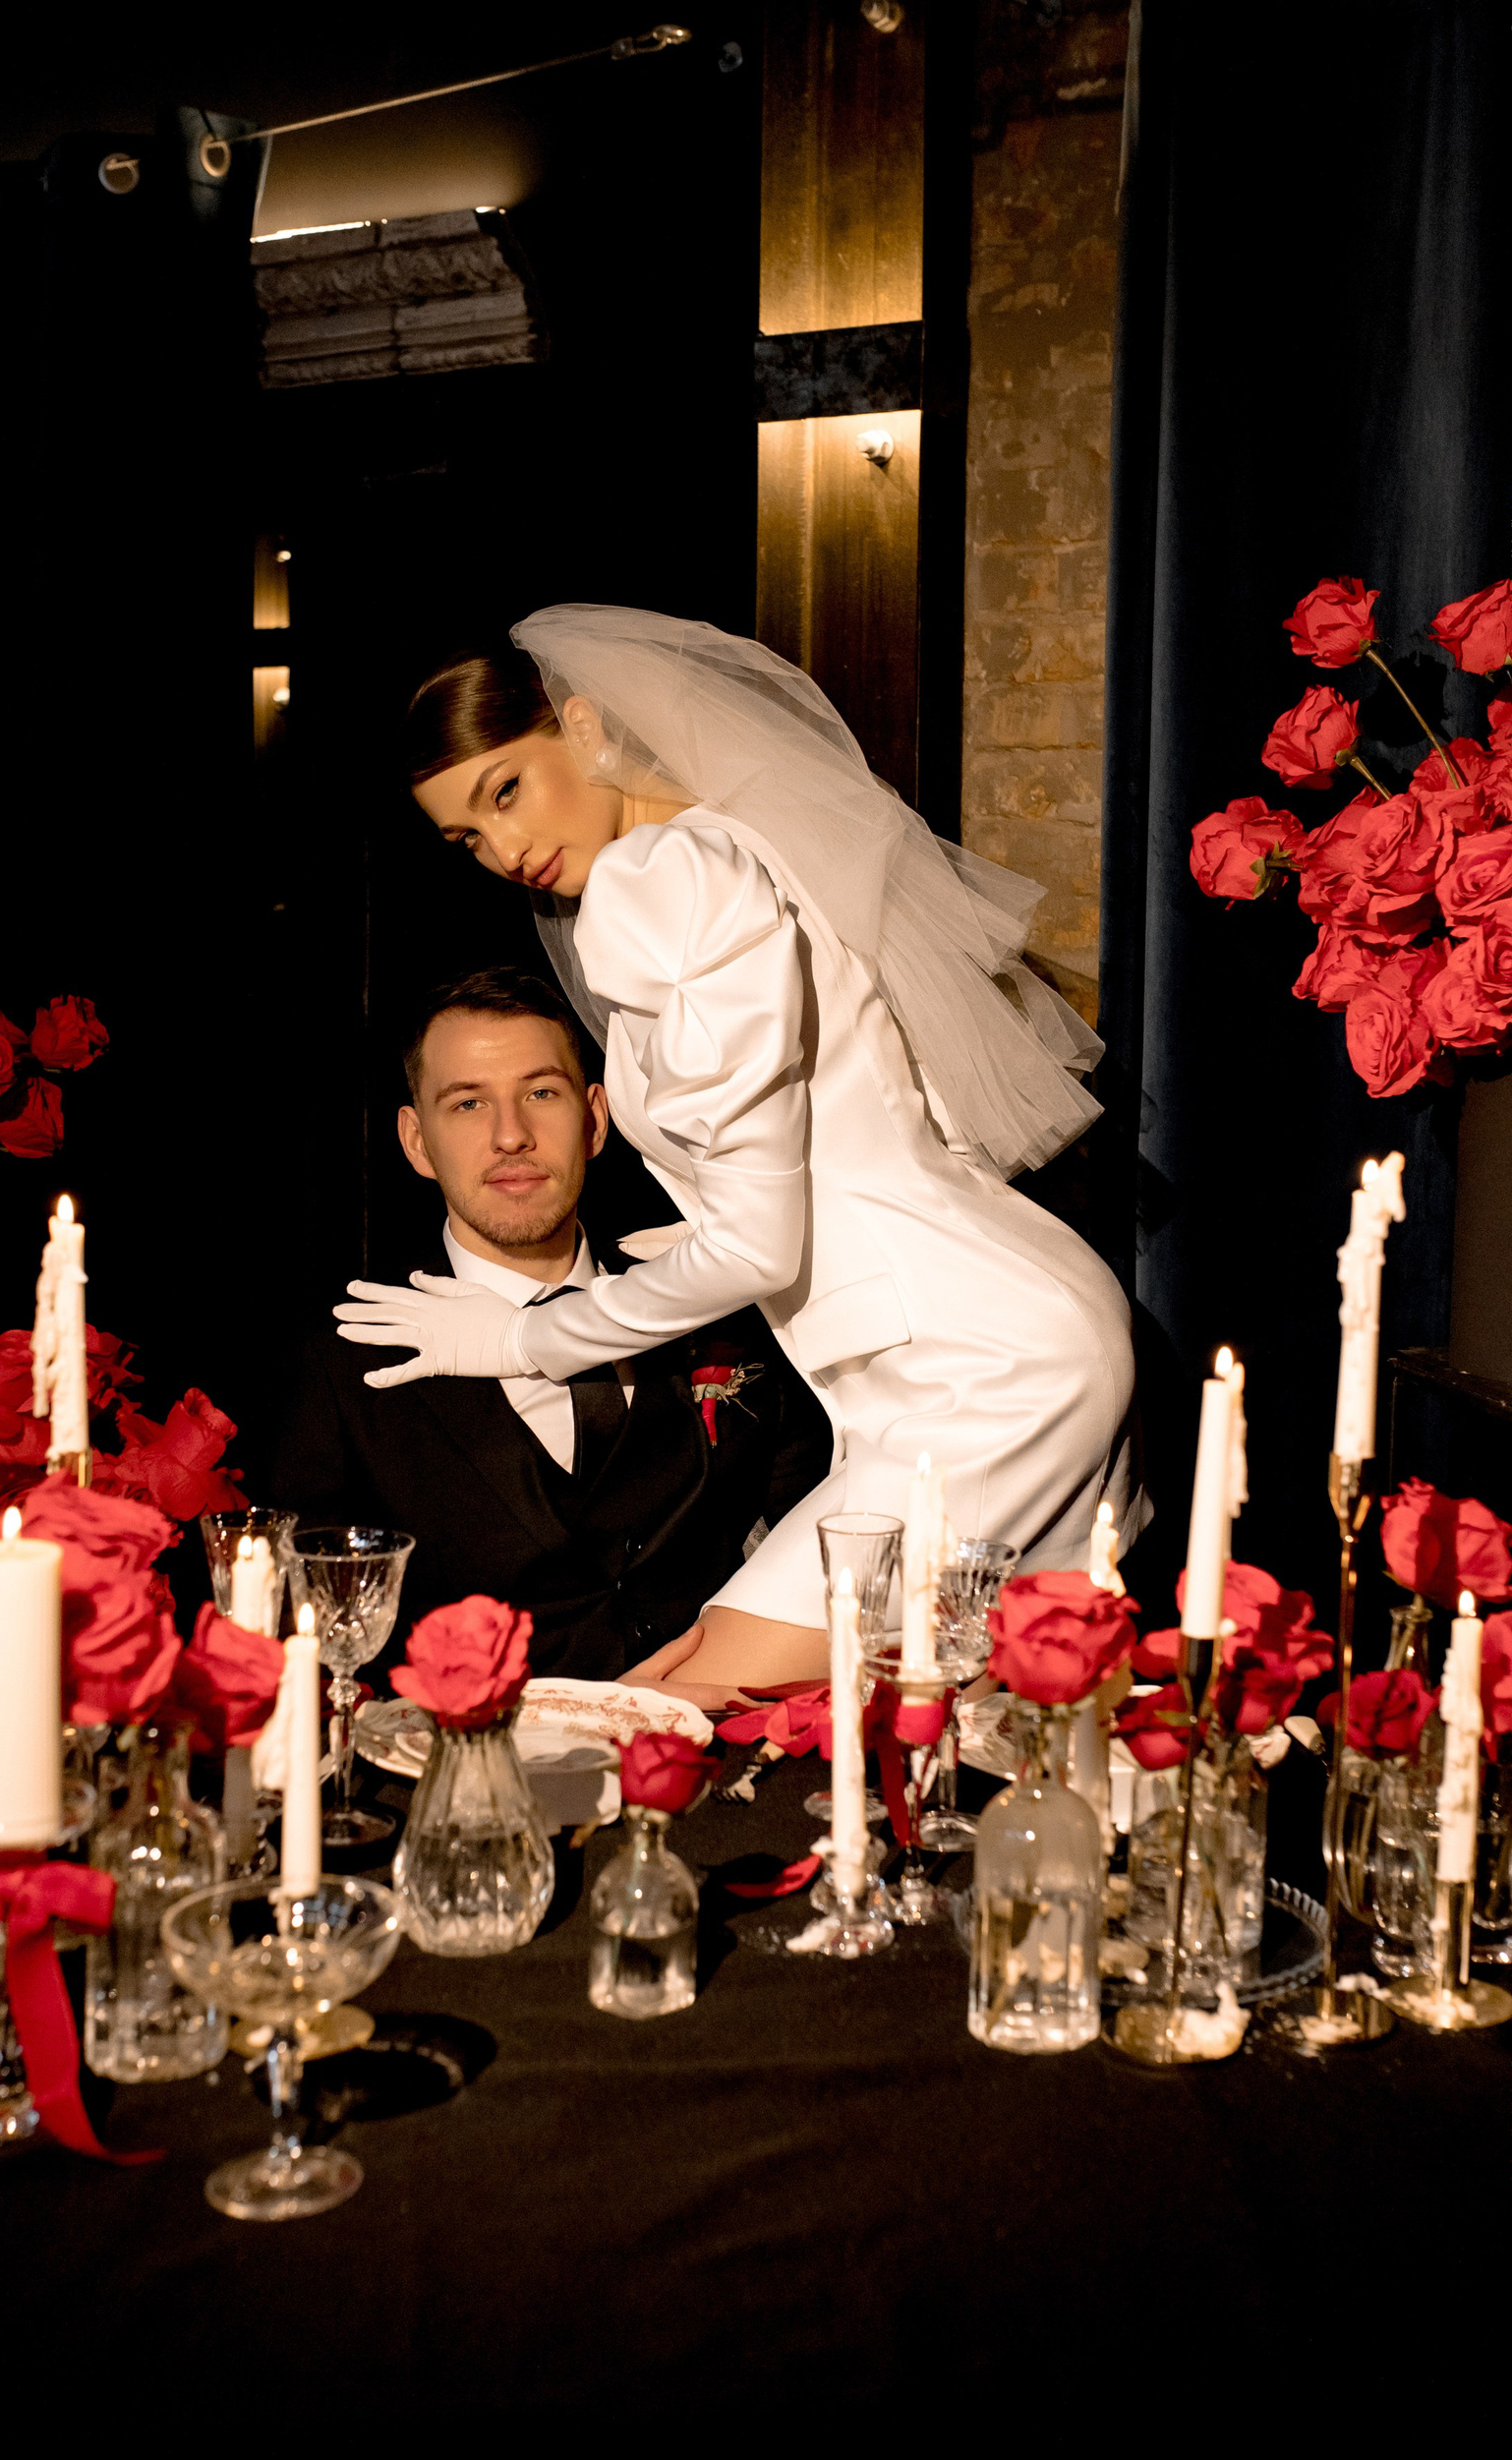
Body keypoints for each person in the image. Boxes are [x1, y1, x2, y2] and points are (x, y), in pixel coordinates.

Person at [336, 607, 1142, 1703]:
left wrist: (526, 1339)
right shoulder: (743, 844)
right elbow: (860, 1120)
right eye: (468, 838)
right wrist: (701, 1230)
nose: (506, 851)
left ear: (585, 726)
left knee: (678, 1704)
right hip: (992, 1332)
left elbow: (761, 1246)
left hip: (980, 1373)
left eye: (507, 789)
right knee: (937, 1716)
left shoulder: (652, 880)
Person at [270, 966, 831, 1683]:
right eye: (468, 1103)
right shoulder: (339, 1360)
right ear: (416, 1141)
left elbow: (816, 1550)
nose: (512, 1135)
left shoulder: (728, 1310)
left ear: (595, 1118)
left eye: (541, 1093)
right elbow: (312, 1641)